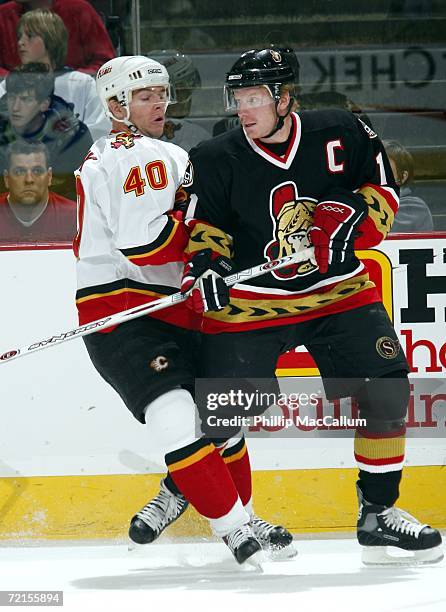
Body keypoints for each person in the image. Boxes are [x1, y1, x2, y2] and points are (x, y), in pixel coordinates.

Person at [173, 48, 442, 565]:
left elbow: (382, 190)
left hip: (337, 292)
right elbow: (204, 229)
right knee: (226, 407)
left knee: (384, 387)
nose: (243, 110)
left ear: (284, 98)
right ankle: (228, 512)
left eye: (254, 98)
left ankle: (378, 514)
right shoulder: (214, 156)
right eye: (237, 99)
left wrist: (348, 219)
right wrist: (206, 266)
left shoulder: (342, 130)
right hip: (251, 304)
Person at [74, 54, 293, 565]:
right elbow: (144, 246)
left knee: (227, 413)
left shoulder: (166, 151)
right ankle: (239, 529)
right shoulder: (131, 156)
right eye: (145, 95)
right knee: (176, 419)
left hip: (179, 307)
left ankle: (187, 491)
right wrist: (212, 242)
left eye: (163, 93)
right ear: (115, 105)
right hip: (129, 314)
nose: (160, 103)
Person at [0, 8, 111, 140]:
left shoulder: (83, 84)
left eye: (29, 36)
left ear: (50, 39)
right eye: (19, 37)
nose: (20, 43)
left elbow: (100, 131)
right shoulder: (8, 84)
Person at [0, 63, 93, 198]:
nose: (15, 107)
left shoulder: (74, 137)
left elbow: (85, 192)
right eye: (11, 98)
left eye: (26, 99)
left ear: (44, 104)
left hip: (61, 213)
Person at [0, 0, 115, 77]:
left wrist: (67, 79)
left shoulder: (79, 10)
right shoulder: (2, 14)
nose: (21, 42)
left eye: (30, 36)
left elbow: (106, 64)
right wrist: (16, 81)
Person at [0, 140, 75, 242]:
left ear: (49, 177)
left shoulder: (74, 216)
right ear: (7, 179)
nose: (29, 180)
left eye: (37, 171)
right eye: (19, 172)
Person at [153, 50, 211, 151]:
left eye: (188, 88)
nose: (184, 97)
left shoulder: (197, 135)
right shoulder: (196, 135)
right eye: (180, 90)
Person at [384, 139, 434, 233]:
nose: (378, 176)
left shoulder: (415, 207)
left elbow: (378, 226)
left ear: (402, 177)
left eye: (385, 171)